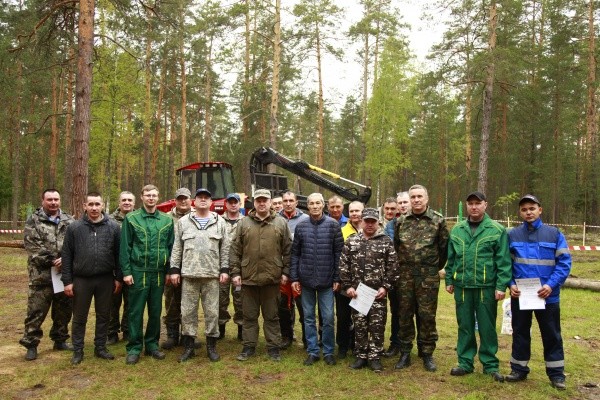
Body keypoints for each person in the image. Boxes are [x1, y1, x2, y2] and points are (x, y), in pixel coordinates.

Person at [505, 195, 571, 390]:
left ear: (540, 210)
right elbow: (505, 264)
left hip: (548, 296)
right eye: (524, 209)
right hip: (521, 296)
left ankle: (556, 374)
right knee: (520, 332)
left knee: (551, 334)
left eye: (532, 208)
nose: (528, 212)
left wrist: (550, 285)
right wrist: (510, 284)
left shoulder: (554, 234)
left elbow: (564, 263)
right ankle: (518, 369)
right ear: (520, 212)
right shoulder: (512, 235)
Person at [444, 191, 511, 382]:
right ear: (467, 206)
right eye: (470, 203)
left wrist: (501, 286)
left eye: (478, 203)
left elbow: (503, 261)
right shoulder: (457, 230)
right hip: (462, 286)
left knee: (486, 327)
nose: (474, 207)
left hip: (486, 287)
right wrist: (449, 279)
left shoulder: (496, 230)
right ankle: (465, 362)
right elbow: (451, 258)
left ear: (485, 205)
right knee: (465, 326)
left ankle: (490, 364)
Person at [230, 189, 292, 362]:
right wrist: (235, 272)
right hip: (248, 278)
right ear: (254, 203)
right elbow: (235, 249)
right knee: (249, 316)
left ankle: (273, 347)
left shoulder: (280, 223)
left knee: (272, 316)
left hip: (272, 278)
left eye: (265, 200)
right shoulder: (244, 223)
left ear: (270, 202)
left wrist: (286, 272)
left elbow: (288, 249)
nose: (262, 203)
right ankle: (248, 346)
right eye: (259, 200)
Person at [61, 192, 122, 365]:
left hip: (105, 279)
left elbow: (119, 255)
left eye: (97, 204)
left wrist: (118, 277)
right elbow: (67, 255)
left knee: (104, 315)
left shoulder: (113, 227)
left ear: (102, 205)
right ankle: (78, 350)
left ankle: (100, 347)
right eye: (91, 204)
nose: (94, 208)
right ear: (85, 206)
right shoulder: (74, 228)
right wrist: (67, 281)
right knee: (79, 317)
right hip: (82, 279)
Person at [170, 188, 230, 362]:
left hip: (211, 275)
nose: (203, 200)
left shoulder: (220, 221)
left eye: (206, 197)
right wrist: (174, 269)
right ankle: (189, 347)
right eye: (200, 197)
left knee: (212, 312)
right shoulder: (183, 222)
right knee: (187, 312)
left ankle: (211, 347)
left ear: (211, 202)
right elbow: (177, 247)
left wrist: (224, 269)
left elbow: (225, 248)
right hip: (189, 275)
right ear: (194, 202)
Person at [393, 184, 448, 372]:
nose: (416, 200)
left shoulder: (438, 221)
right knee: (404, 314)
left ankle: (427, 352)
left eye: (419, 196)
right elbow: (396, 247)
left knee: (427, 315)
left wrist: (433, 268)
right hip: (405, 276)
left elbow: (443, 249)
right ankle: (405, 352)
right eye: (413, 197)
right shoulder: (401, 222)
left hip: (428, 276)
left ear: (426, 199)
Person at [120, 184, 174, 365]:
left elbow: (171, 247)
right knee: (135, 311)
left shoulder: (167, 220)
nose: (151, 198)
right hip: (138, 272)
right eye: (148, 195)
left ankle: (152, 345)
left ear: (158, 197)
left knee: (155, 311)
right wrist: (126, 272)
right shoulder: (131, 219)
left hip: (158, 273)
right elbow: (125, 247)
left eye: (154, 195)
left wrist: (169, 270)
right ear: (142, 197)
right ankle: (134, 347)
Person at [339, 208, 399, 371]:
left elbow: (393, 266)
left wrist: (385, 287)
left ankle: (375, 357)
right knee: (360, 325)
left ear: (378, 222)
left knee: (377, 326)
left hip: (377, 294)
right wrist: (348, 286)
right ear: (361, 222)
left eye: (373, 221)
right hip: (358, 294)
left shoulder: (385, 241)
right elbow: (344, 265)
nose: (370, 224)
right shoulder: (352, 241)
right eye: (367, 221)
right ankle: (361, 356)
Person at [20, 189, 75, 361]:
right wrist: (54, 260)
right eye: (49, 199)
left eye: (56, 199)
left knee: (63, 309)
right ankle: (31, 344)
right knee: (36, 310)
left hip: (63, 275)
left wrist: (66, 260)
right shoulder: (33, 220)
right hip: (41, 275)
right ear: (43, 200)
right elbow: (32, 246)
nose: (53, 202)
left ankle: (60, 339)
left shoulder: (69, 220)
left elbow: (76, 244)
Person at [290, 193, 344, 366]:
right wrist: (294, 278)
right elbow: (295, 254)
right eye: (311, 203)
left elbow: (339, 254)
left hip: (326, 280)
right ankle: (313, 351)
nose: (314, 206)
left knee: (328, 318)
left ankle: (328, 351)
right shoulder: (301, 226)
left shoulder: (333, 225)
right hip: (305, 280)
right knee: (308, 318)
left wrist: (337, 277)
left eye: (318, 203)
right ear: (307, 206)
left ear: (323, 205)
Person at [161, 187, 193, 350]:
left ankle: (188, 335)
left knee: (190, 303)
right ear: (175, 201)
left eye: (185, 198)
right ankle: (172, 335)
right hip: (172, 266)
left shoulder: (197, 216)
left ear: (190, 199)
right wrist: (168, 268)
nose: (183, 201)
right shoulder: (166, 218)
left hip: (191, 266)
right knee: (171, 301)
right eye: (180, 198)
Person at [277, 191, 309, 349]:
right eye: (285, 200)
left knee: (303, 306)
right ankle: (286, 336)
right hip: (281, 269)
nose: (288, 203)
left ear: (297, 202)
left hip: (300, 270)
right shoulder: (275, 219)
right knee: (283, 306)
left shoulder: (306, 220)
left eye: (291, 200)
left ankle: (307, 337)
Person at [107, 191, 135, 345]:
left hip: (133, 267)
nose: (127, 202)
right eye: (124, 200)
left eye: (130, 200)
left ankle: (128, 330)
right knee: (112, 302)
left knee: (131, 302)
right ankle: (111, 332)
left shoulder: (138, 219)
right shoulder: (109, 220)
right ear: (119, 202)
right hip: (113, 268)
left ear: (134, 203)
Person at [337, 200, 364, 359]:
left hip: (364, 284)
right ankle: (342, 346)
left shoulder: (371, 229)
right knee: (343, 316)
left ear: (363, 211)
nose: (354, 214)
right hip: (345, 281)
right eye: (352, 211)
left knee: (360, 317)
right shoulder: (341, 231)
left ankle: (357, 345)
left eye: (357, 211)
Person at [384, 191, 410, 357]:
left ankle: (420, 346)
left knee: (416, 312)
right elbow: (389, 250)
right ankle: (396, 343)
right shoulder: (390, 226)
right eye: (400, 203)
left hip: (415, 276)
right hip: (395, 275)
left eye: (405, 202)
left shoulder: (421, 223)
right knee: (396, 311)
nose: (402, 205)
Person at [218, 193, 245, 341]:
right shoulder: (218, 221)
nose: (233, 205)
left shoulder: (246, 221)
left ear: (239, 204)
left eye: (236, 202)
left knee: (240, 300)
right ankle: (220, 329)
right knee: (220, 300)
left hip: (240, 268)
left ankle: (241, 330)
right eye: (230, 202)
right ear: (226, 204)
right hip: (221, 267)